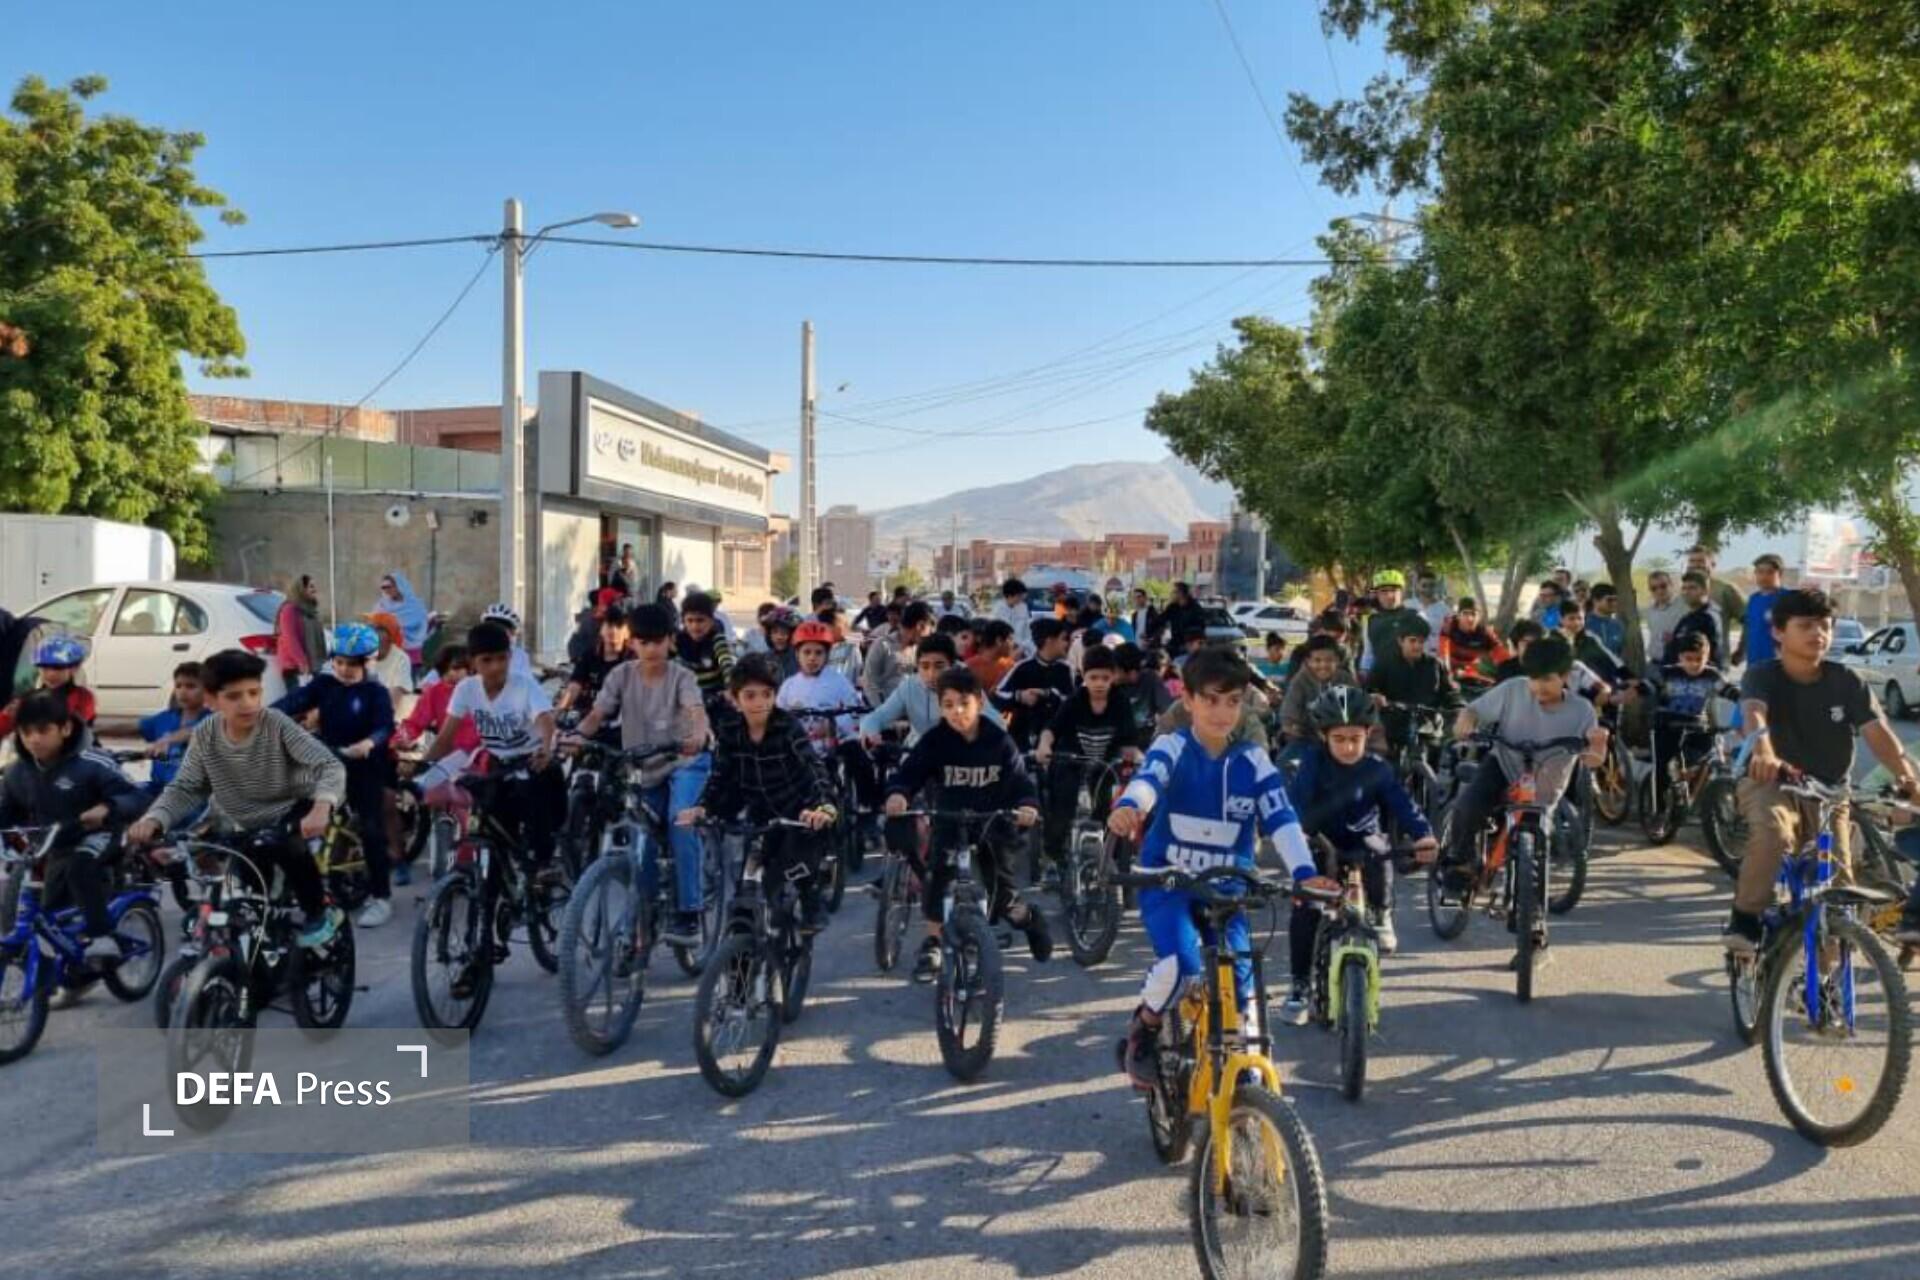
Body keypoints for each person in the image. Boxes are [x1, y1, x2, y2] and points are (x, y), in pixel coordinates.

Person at [1109, 646, 1315, 1089]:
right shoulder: (1173, 745)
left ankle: (1249, 1083)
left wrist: (1305, 873)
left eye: (1233, 701)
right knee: (1184, 966)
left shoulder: (1253, 760)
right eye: (1211, 699)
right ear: (1188, 700)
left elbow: (1281, 817)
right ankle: (1145, 1026)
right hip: (1166, 882)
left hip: (1227, 890)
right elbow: (1149, 779)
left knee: (1242, 981)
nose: (1223, 712)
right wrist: (1130, 806)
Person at [1723, 589, 1920, 953]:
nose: (1819, 633)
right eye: (1806, 625)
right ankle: (1746, 917)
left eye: (1825, 626)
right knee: (1773, 833)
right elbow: (1754, 713)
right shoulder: (1762, 675)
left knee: (1839, 890)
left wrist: (1907, 776)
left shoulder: (1846, 680)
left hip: (1830, 793)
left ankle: (1827, 977)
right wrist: (1764, 752)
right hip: (1773, 783)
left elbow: (1879, 734)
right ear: (1779, 632)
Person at [127, 648, 348, 949]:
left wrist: (321, 808)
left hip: (295, 806)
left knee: (286, 846)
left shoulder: (276, 725)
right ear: (211, 700)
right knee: (244, 892)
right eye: (233, 696)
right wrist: (155, 818)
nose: (247, 703)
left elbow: (329, 766)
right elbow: (187, 787)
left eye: (253, 693)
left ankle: (318, 912)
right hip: (241, 817)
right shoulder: (206, 733)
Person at [883, 667, 1050, 979]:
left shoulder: (998, 741)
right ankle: (934, 943)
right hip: (950, 819)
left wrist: (1027, 804)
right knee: (938, 878)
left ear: (979, 703)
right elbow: (909, 773)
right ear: (941, 708)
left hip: (992, 821)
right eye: (948, 705)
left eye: (964, 703)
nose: (957, 712)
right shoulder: (935, 741)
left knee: (1003, 898)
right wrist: (898, 794)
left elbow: (1019, 780)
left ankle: (1029, 919)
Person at [573, 603, 713, 943]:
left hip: (684, 762)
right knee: (641, 840)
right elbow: (597, 714)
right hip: (642, 768)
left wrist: (698, 735)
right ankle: (643, 917)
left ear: (670, 641)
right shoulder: (620, 676)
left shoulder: (682, 677)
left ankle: (690, 912)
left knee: (680, 821)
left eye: (658, 641)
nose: (650, 649)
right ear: (632, 642)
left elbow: (696, 711)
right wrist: (575, 737)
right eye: (643, 642)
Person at [1282, 686, 1437, 991]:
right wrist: (1295, 831)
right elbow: (1296, 802)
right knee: (1306, 910)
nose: (1348, 747)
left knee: (1378, 850)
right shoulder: (1312, 763)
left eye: (1355, 738)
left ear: (1368, 733)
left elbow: (1404, 805)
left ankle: (1381, 912)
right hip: (1320, 842)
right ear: (1324, 736)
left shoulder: (1378, 769)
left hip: (1362, 840)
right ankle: (1299, 985)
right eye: (1339, 739)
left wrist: (1423, 835)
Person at [1437, 634, 1609, 899]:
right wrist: (1466, 721)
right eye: (1534, 678)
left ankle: (1527, 902)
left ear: (1565, 676)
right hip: (1504, 765)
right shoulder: (1513, 689)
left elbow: (1592, 759)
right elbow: (1473, 711)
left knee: (1534, 843)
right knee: (1469, 805)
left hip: (1545, 787)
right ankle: (1460, 863)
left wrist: (1598, 746)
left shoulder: (1582, 711)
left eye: (1548, 679)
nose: (1539, 687)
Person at [678, 656, 839, 932]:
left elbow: (813, 767)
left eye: (767, 694)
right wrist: (703, 807)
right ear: (735, 699)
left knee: (798, 866)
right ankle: (744, 952)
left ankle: (810, 899)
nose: (759, 703)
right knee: (747, 891)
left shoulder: (788, 726)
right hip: (759, 814)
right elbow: (720, 776)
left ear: (775, 696)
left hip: (798, 812)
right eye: (750, 695)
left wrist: (822, 806)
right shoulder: (729, 730)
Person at [0, 691, 149, 962]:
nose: (34, 739)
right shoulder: (17, 773)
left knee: (81, 869)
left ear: (65, 729)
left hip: (99, 834)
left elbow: (136, 797)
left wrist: (107, 808)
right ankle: (65, 970)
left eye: (43, 730)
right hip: (54, 843)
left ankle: (102, 937)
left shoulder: (93, 762)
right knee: (50, 914)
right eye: (26, 732)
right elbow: (8, 812)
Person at [273, 622, 398, 928]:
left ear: (368, 663)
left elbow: (385, 726)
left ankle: (381, 897)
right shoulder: (324, 685)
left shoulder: (376, 692)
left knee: (370, 828)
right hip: (327, 762)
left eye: (351, 664)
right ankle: (297, 887)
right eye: (339, 662)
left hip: (364, 765)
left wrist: (368, 744)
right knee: (288, 819)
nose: (343, 669)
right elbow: (292, 702)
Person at [426, 622, 564, 882]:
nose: (496, 667)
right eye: (486, 660)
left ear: (510, 657)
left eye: (502, 658)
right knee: (494, 832)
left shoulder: (524, 685)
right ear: (473, 662)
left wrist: (546, 750)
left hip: (532, 762)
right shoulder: (466, 689)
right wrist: (422, 768)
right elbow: (445, 738)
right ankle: (493, 893)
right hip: (498, 765)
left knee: (536, 819)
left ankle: (542, 868)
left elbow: (545, 721)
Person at [1034, 647, 1143, 887]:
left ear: (1114, 677)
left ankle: (1105, 858)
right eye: (1093, 677)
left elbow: (1129, 742)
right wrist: (1044, 745)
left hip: (1105, 765)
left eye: (1105, 677)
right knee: (1061, 810)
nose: (1099, 683)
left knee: (1106, 810)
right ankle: (1051, 858)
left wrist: (1139, 758)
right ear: (1083, 676)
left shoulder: (1120, 702)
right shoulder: (1075, 701)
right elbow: (1051, 730)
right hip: (1071, 761)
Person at [778, 618, 876, 833]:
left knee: (861, 761)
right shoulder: (789, 686)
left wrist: (837, 725)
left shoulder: (838, 681)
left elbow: (854, 708)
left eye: (818, 653)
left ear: (827, 655)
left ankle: (867, 810)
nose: (812, 658)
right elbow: (778, 716)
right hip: (803, 746)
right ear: (797, 654)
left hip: (837, 740)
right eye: (807, 652)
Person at [859, 631, 1004, 746]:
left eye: (939, 666)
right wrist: (871, 733)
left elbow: (997, 722)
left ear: (953, 665)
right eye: (925, 666)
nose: (931, 674)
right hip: (918, 754)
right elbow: (877, 717)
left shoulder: (966, 684)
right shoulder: (909, 687)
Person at [1644, 632, 1727, 812]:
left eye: (1699, 659)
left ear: (1707, 656)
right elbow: (1648, 686)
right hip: (1667, 726)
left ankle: (1690, 787)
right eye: (1688, 659)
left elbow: (1728, 689)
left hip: (1697, 726)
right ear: (1680, 657)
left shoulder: (1711, 675)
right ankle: (1659, 811)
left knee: (1707, 755)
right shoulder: (1667, 673)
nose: (1694, 664)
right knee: (1663, 767)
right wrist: (1630, 692)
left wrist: (1747, 699)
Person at [1365, 615, 1463, 757]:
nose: (1417, 646)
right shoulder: (1384, 663)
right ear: (1400, 641)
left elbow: (1450, 693)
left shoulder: (1435, 665)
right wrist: (1375, 697)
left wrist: (1459, 707)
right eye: (1412, 641)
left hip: (1429, 727)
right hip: (1393, 727)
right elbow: (1369, 688)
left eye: (1421, 642)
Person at [992, 617, 1076, 754]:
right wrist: (1020, 696)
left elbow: (1072, 702)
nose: (1068, 644)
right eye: (1064, 639)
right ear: (1049, 641)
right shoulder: (1022, 668)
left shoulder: (1066, 670)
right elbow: (998, 695)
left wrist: (1048, 694)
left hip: (1057, 743)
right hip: (1022, 741)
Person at [0, 635, 96, 738]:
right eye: (44, 667)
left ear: (74, 668)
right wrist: (8, 715)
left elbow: (72, 729)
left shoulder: (83, 698)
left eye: (58, 668)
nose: (51, 674)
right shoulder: (26, 699)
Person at [138, 662, 211, 797]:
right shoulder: (164, 718)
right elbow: (132, 727)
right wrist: (95, 728)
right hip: (157, 790)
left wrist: (168, 739)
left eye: (190, 686)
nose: (182, 691)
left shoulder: (214, 720)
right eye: (178, 686)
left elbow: (198, 731)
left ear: (207, 690)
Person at [1280, 636, 1358, 758]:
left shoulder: (1345, 680)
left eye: (1329, 660)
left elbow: (1357, 710)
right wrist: (1295, 730)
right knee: (1287, 759)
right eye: (1317, 660)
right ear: (1308, 661)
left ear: (1338, 661)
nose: (1323, 665)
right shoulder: (1299, 682)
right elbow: (1289, 716)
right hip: (1306, 738)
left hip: (1342, 738)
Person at [558, 602, 635, 718]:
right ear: (601, 629)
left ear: (627, 632)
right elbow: (574, 687)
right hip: (587, 718)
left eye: (619, 626)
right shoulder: (589, 656)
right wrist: (556, 713)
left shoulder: (633, 660)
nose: (613, 631)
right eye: (609, 625)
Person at [675, 592, 736, 723]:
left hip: (714, 698)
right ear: (683, 621)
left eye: (700, 620)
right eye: (690, 620)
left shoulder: (717, 640)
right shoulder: (677, 641)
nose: (695, 626)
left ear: (711, 621)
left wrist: (731, 687)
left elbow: (726, 663)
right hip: (685, 700)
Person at [864, 601, 932, 706]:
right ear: (920, 626)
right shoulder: (882, 645)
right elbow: (870, 683)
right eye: (928, 631)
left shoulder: (917, 649)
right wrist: (882, 711)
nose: (929, 635)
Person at [1686, 545, 1747, 655]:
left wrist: (1741, 652)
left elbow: (1750, 622)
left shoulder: (1725, 590)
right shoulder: (1683, 590)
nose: (1695, 565)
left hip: (1717, 659)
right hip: (1686, 659)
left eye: (1700, 561)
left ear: (1713, 564)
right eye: (1692, 561)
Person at [1361, 570, 1421, 676]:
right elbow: (1368, 653)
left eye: (1394, 590)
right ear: (1377, 594)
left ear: (1402, 592)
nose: (1389, 595)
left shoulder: (1415, 616)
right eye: (1383, 591)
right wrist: (1364, 671)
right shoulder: (1370, 620)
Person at [1558, 599, 1629, 687]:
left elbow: (1611, 658)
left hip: (1595, 684)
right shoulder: (1553, 641)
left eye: (1580, 618)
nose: (1576, 623)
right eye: (1571, 618)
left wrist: (1629, 677)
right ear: (1561, 619)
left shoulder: (1590, 637)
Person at [1731, 553, 1785, 667]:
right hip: (1754, 662)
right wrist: (1741, 652)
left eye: (1770, 572)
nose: (1764, 577)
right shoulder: (1753, 599)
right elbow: (1748, 628)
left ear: (1780, 574)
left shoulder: (1788, 598)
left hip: (1779, 664)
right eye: (1760, 572)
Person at [1439, 598, 1508, 687]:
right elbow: (1443, 652)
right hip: (1448, 667)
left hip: (1470, 671)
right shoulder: (1449, 625)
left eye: (1473, 614)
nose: (1470, 618)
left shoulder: (1485, 632)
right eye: (1465, 613)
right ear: (1458, 615)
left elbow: (1502, 655)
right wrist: (1448, 673)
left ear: (1479, 617)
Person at [275, 574, 327, 691]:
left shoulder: (310, 609)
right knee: (299, 700)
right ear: (301, 589)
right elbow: (290, 638)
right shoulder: (289, 609)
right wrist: (302, 662)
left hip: (312, 664)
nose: (314, 589)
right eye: (311, 586)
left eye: (314, 586)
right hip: (295, 667)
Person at [368, 571, 429, 666]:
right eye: (383, 587)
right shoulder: (381, 606)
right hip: (389, 653)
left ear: (399, 586)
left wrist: (395, 625)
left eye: (389, 586)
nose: (386, 590)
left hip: (413, 652)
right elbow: (375, 625)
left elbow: (421, 624)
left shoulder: (415, 605)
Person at [1666, 571, 1724, 668]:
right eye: (1684, 588)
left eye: (1692, 588)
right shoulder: (1688, 617)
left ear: (1705, 591)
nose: (1686, 592)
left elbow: (1711, 656)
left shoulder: (1708, 618)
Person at [361, 611, 416, 697]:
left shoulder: (401, 659)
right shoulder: (360, 655)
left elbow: (397, 693)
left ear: (390, 638)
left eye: (379, 630)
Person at [1642, 570, 1688, 664]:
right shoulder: (1650, 611)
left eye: (1663, 586)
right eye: (1654, 588)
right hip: (1655, 663)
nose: (1659, 591)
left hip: (1678, 664)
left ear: (1671, 585)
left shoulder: (1685, 604)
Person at [479, 602, 534, 680]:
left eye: (502, 630)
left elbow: (527, 681)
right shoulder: (476, 652)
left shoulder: (519, 655)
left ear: (512, 633)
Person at [967, 618, 1017, 692]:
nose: (1014, 644)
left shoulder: (1011, 666)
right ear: (999, 640)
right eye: (1010, 639)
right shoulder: (970, 667)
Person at [991, 577, 1035, 656]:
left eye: (1022, 596)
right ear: (1009, 596)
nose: (1021, 599)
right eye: (1019, 596)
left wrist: (1024, 646)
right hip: (1004, 649)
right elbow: (996, 633)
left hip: (1021, 648)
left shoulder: (1023, 607)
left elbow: (1027, 630)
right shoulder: (998, 609)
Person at [1586, 583, 1628, 660]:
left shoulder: (1618, 625)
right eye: (1609, 600)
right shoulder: (1584, 624)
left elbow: (1620, 652)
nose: (1614, 603)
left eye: (1615, 599)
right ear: (1595, 601)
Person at [1414, 572, 1452, 656]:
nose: (1428, 589)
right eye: (1424, 585)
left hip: (1435, 656)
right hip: (1412, 655)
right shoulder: (1407, 605)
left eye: (1431, 585)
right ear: (1417, 586)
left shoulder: (1445, 610)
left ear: (1436, 587)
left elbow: (1448, 635)